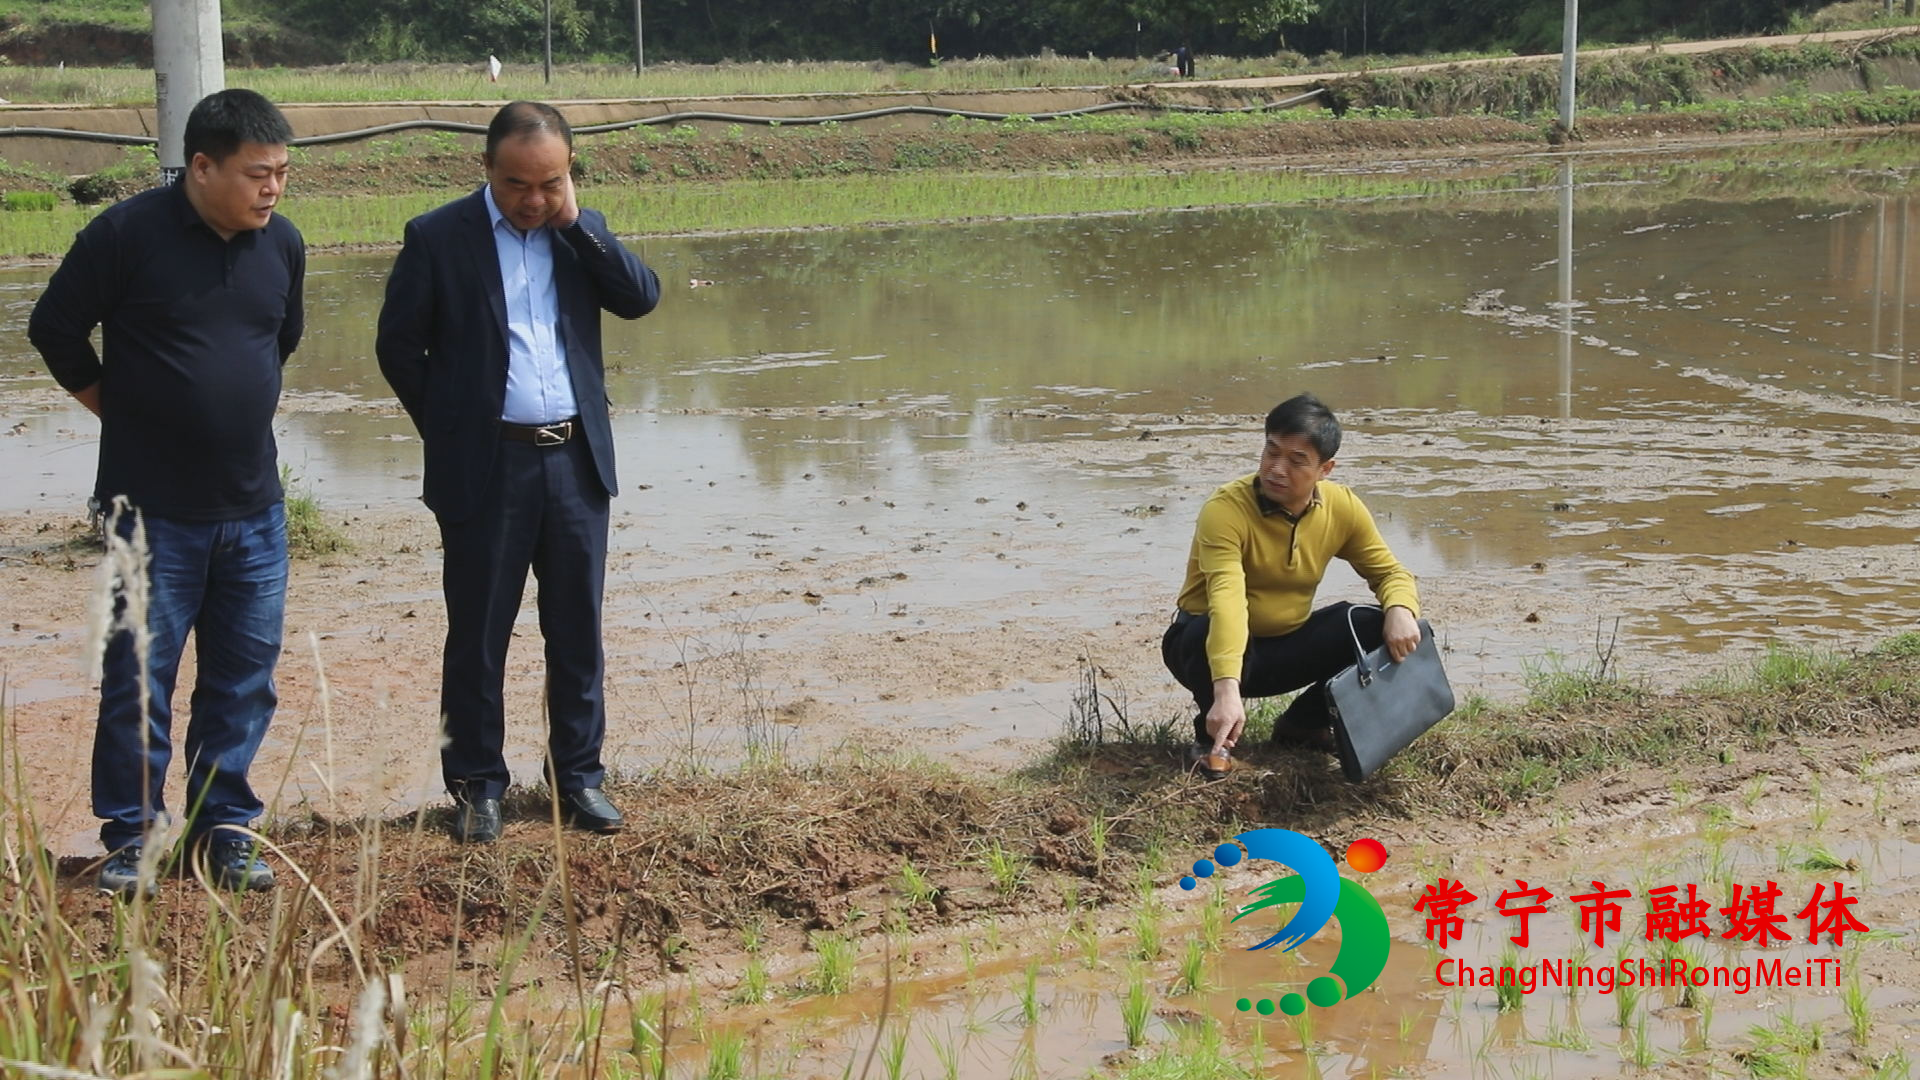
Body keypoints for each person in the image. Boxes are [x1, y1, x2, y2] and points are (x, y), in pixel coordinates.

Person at [27, 89, 304, 895]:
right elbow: (53, 329)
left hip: (254, 508)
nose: (273, 189)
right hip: (149, 513)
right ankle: (130, 838)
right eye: (258, 174)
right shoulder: (125, 235)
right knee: (137, 678)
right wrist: (123, 407)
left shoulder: (281, 245)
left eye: (283, 173)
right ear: (204, 166)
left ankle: (224, 831)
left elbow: (277, 342)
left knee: (244, 678)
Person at [376, 101, 661, 843]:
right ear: (486, 170)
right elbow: (398, 348)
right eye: (517, 185)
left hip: (575, 461)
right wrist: (452, 430)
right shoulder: (438, 237)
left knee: (577, 630)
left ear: (568, 175)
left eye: (550, 183)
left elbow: (641, 297)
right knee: (478, 634)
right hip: (487, 465)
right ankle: (477, 788)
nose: (533, 200)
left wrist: (578, 225)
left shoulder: (577, 233)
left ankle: (579, 779)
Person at [1161, 393, 1422, 780]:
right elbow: (1228, 601)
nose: (1276, 469)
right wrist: (1228, 689)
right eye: (1271, 451)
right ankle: (1211, 735)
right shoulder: (1225, 510)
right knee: (1204, 627)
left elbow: (1390, 573)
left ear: (1325, 469)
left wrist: (1401, 610)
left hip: (1285, 647)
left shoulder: (1342, 506)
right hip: (1206, 649)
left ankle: (1303, 723)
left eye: (1297, 460)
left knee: (1370, 622)